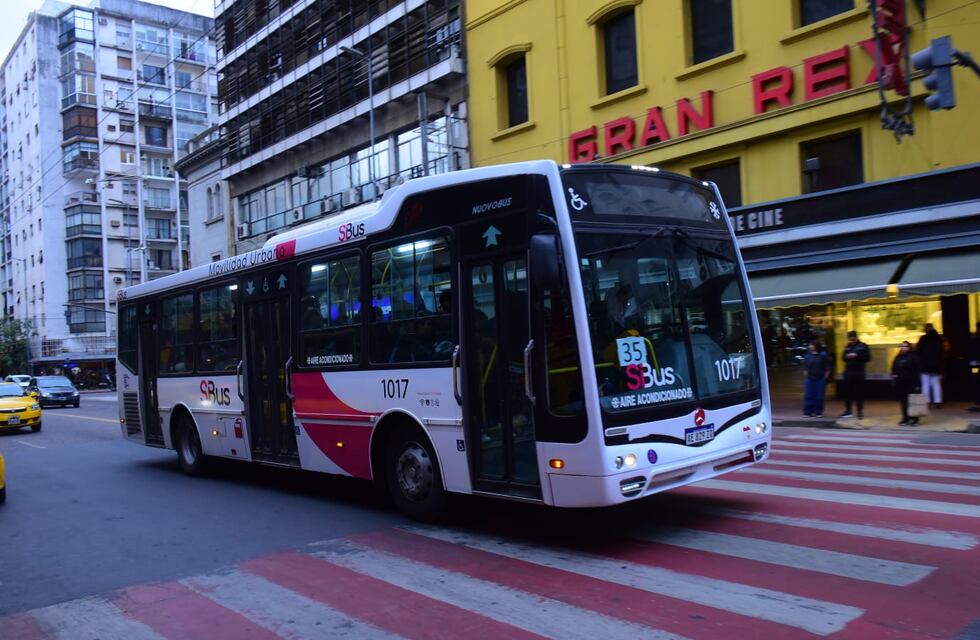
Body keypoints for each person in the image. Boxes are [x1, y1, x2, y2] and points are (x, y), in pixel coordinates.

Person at [839, 330, 870, 419]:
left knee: (859, 392)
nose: (851, 339)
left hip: (859, 372)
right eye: (850, 338)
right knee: (847, 392)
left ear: (856, 337)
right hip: (848, 372)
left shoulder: (863, 346)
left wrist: (856, 355)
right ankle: (848, 411)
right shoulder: (848, 346)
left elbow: (867, 358)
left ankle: (859, 411)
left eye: (853, 338)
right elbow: (843, 357)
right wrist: (847, 356)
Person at [891, 341, 921, 426]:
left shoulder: (913, 357)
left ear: (909, 347)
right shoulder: (898, 357)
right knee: (903, 401)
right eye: (902, 346)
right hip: (901, 383)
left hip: (911, 383)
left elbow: (917, 371)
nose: (904, 348)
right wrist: (894, 376)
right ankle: (905, 418)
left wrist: (917, 384)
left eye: (906, 346)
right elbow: (894, 368)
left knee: (912, 401)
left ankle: (914, 419)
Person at [916, 323, 945, 408]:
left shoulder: (923, 339)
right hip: (937, 365)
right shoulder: (939, 338)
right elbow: (942, 352)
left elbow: (918, 352)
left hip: (925, 365)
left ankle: (927, 402)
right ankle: (937, 402)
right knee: (936, 384)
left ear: (925, 329)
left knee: (925, 384)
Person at [802, 340, 831, 417]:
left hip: (820, 378)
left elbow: (827, 368)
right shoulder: (807, 356)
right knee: (809, 395)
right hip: (810, 378)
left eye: (812, 345)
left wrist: (825, 377)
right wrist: (806, 376)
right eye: (810, 345)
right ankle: (808, 411)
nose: (810, 346)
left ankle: (818, 411)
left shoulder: (823, 355)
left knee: (819, 396)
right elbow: (805, 367)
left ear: (816, 346)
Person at [969, 322, 980, 412]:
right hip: (976, 362)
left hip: (975, 362)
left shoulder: (974, 338)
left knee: (976, 380)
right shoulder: (974, 337)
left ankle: (977, 400)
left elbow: (972, 349)